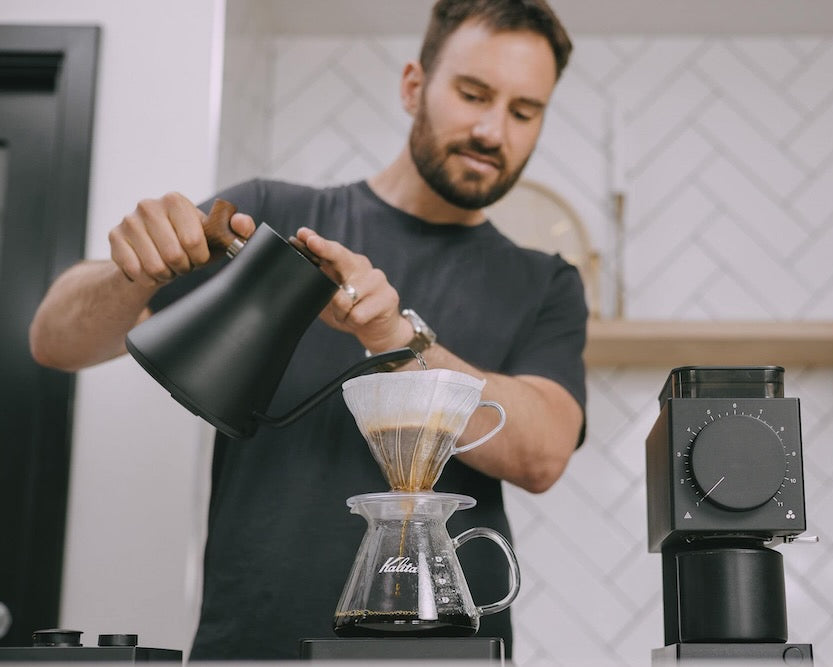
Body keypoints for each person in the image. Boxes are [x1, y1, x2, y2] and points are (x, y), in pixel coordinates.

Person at [29, 0, 585, 660]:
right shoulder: (275, 216)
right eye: (473, 94)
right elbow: (54, 338)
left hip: (445, 653)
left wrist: (394, 336)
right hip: (254, 646)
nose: (494, 130)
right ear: (414, 85)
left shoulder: (544, 281)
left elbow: (543, 451)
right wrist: (136, 269)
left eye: (525, 112)